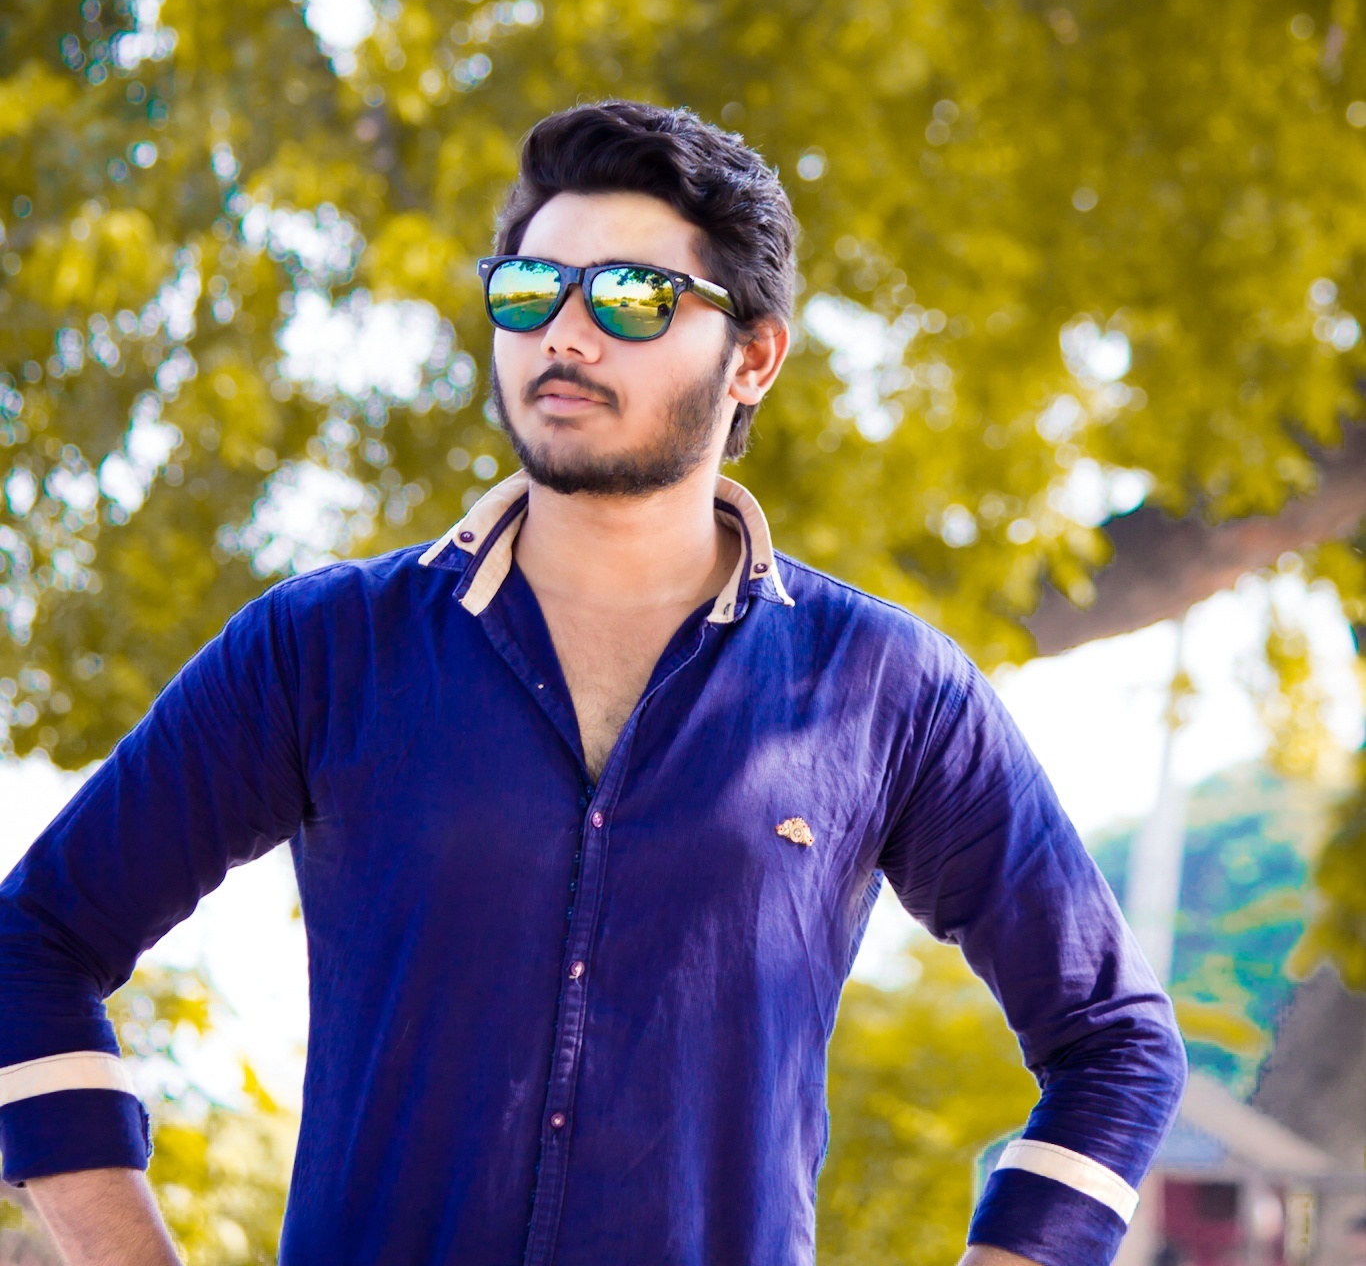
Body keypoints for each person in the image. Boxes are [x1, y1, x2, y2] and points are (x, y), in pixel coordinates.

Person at [0, 101, 1185, 1266]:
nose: (564, 332)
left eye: (631, 296)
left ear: (753, 356)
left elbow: (1116, 1046)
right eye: (529, 289)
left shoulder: (886, 688)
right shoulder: (323, 646)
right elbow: (31, 942)